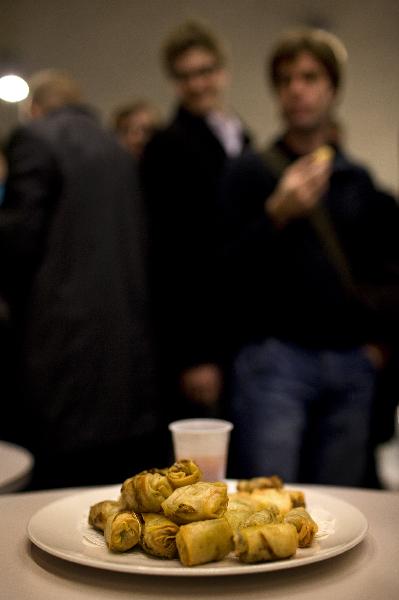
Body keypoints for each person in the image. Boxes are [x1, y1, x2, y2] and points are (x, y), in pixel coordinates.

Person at [219, 28, 399, 486]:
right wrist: (276, 214)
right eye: (285, 80)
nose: (297, 89)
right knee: (266, 510)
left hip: (351, 362)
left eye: (310, 77)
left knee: (343, 509)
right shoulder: (249, 173)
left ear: (332, 88)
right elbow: (223, 272)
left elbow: (386, 271)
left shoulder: (357, 180)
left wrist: (377, 346)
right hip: (275, 361)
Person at [0, 69, 166, 489]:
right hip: (126, 358)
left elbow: (18, 244)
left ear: (34, 109)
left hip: (59, 356)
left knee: (51, 500)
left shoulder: (34, 139)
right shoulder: (119, 149)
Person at [141, 20, 252, 420]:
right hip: (203, 335)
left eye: (205, 71)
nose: (198, 84)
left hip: (243, 328)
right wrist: (195, 354)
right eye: (185, 76)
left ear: (222, 71)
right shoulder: (167, 146)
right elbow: (172, 255)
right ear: (174, 82)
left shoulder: (239, 134)